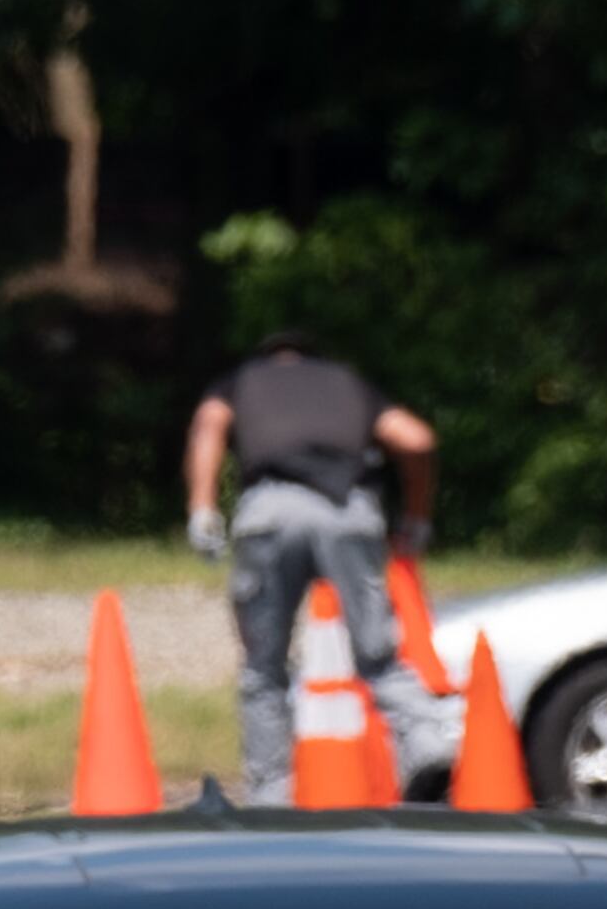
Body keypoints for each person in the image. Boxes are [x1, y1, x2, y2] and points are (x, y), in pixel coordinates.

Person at [184, 332, 447, 802]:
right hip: (350, 510)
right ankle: (428, 747)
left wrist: (203, 507)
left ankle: (272, 791)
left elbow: (208, 425)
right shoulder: (348, 383)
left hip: (270, 511)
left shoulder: (243, 380)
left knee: (263, 668)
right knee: (379, 657)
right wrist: (417, 518)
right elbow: (417, 439)